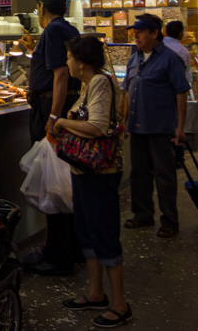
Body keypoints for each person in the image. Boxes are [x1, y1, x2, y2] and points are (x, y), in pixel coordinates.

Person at [54, 37, 131, 328]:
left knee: (104, 234)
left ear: (82, 61)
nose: (67, 63)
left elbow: (97, 126)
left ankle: (120, 304)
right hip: (83, 171)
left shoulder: (99, 83)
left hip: (101, 172)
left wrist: (61, 122)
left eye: (70, 57)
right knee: (86, 231)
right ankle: (96, 293)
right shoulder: (89, 84)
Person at [22, 0, 84, 276]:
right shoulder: (67, 28)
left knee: (54, 187)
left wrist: (53, 117)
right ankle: (70, 248)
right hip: (56, 107)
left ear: (41, 8)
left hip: (51, 110)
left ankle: (59, 257)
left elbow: (60, 76)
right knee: (64, 184)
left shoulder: (53, 31)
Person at [122, 14, 190, 239]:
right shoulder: (135, 58)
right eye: (135, 33)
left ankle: (169, 221)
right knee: (139, 174)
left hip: (161, 127)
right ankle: (142, 214)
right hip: (137, 125)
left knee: (164, 175)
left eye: (140, 33)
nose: (136, 37)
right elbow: (127, 90)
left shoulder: (170, 59)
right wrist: (124, 121)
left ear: (154, 33)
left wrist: (180, 127)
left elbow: (181, 92)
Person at [162, 21, 193, 92]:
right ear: (181, 34)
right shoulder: (183, 51)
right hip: (175, 90)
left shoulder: (157, 45)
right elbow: (187, 75)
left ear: (165, 32)